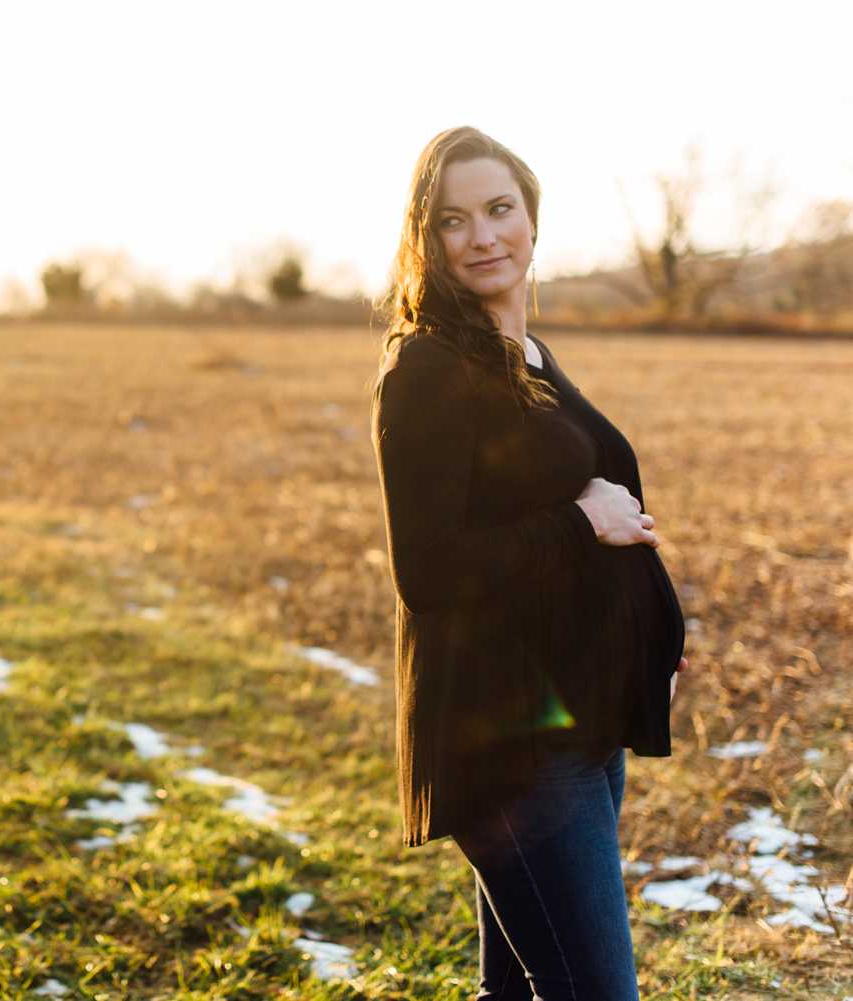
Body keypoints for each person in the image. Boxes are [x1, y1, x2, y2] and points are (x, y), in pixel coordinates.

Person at [367, 126, 689, 1000]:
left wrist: (646, 649)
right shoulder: (428, 367)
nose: (482, 236)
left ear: (532, 219)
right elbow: (428, 570)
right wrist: (580, 522)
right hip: (508, 739)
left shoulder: (528, 358)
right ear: (424, 240)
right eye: (453, 220)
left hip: (577, 718)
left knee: (520, 991)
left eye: (500, 209)